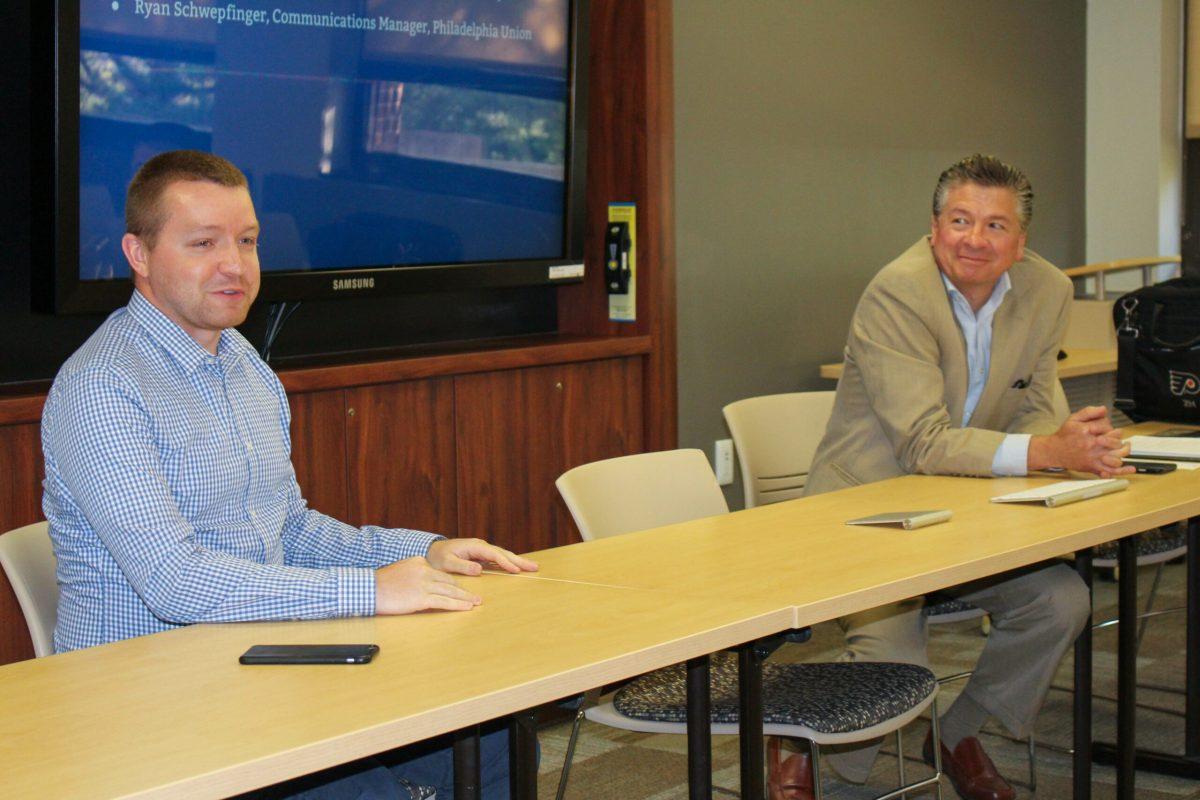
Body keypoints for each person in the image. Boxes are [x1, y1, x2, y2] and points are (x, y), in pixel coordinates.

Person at [41, 149, 538, 800]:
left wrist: (424, 550)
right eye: (203, 243)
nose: (235, 265)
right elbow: (174, 582)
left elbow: (290, 530)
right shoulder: (103, 388)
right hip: (143, 704)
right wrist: (368, 591)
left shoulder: (244, 364)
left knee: (495, 733)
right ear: (138, 255)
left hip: (255, 669)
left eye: (247, 241)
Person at [769, 155, 1133, 800]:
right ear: (934, 226)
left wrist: (1074, 447)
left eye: (996, 226)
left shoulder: (1047, 289)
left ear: (1021, 245)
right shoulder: (897, 291)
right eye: (960, 220)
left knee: (1060, 601)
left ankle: (962, 733)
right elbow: (921, 441)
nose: (974, 239)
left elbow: (1034, 405)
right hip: (867, 513)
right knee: (897, 667)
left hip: (970, 511)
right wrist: (1051, 451)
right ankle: (803, 741)